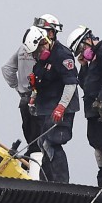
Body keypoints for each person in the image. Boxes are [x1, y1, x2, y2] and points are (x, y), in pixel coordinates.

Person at [67, 25, 102, 190]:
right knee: (99, 153)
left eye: (81, 48)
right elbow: (85, 84)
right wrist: (84, 66)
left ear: (88, 39)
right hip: (93, 112)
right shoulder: (90, 62)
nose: (81, 52)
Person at [24, 25, 79, 183]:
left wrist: (61, 106)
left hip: (61, 108)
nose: (36, 55)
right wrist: (33, 96)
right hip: (46, 107)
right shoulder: (41, 61)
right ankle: (46, 183)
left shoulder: (62, 55)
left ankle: (62, 184)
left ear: (44, 42)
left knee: (53, 142)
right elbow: (39, 81)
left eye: (37, 51)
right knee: (43, 144)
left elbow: (70, 83)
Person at [1, 14, 62, 152]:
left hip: (25, 98)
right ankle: (38, 168)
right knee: (43, 142)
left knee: (32, 139)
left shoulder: (23, 48)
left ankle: (32, 164)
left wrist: (18, 88)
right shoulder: (47, 51)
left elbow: (7, 68)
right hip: (41, 100)